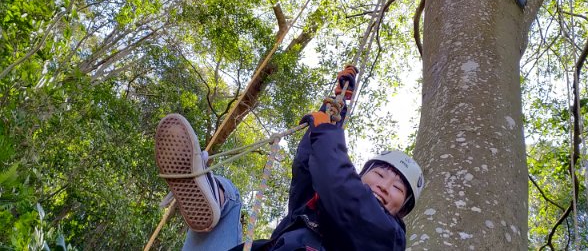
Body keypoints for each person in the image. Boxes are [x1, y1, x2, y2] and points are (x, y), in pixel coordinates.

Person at [155, 69, 424, 250]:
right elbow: (310, 167)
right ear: (362, 175)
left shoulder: (387, 236)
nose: (384, 186)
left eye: (398, 188)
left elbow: (347, 196)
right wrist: (331, 113)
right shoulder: (311, 210)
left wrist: (327, 135)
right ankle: (204, 188)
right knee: (227, 194)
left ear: (402, 210)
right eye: (379, 174)